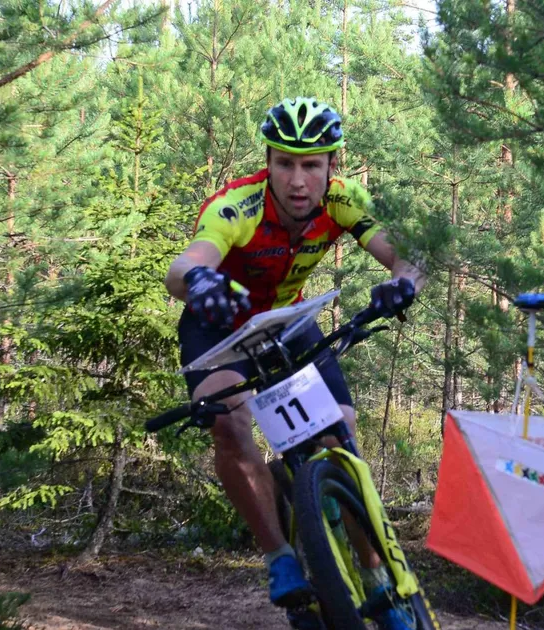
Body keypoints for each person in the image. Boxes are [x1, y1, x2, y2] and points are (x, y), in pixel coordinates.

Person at [164, 97, 425, 629]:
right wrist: (198, 282)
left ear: (333, 165)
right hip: (219, 321)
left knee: (342, 436)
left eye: (311, 164)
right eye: (285, 163)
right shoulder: (238, 205)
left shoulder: (344, 200)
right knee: (227, 422)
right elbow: (185, 264)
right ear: (269, 162)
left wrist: (402, 283)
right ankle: (280, 556)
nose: (298, 179)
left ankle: (376, 578)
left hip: (286, 317)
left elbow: (406, 255)